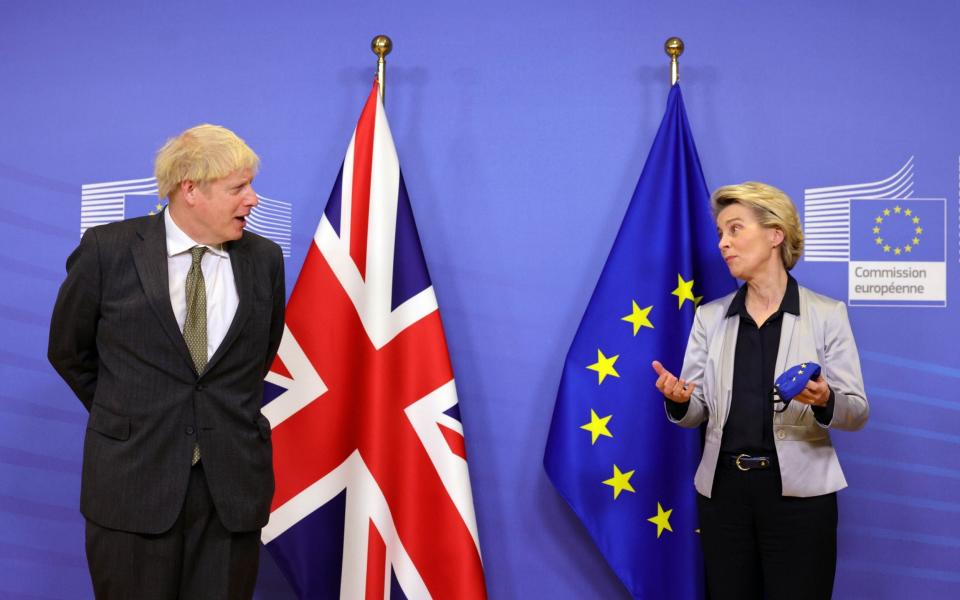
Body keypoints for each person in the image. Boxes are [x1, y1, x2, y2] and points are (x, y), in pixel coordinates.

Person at [48, 124, 285, 599]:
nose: (253, 200)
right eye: (238, 188)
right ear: (190, 189)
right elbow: (69, 352)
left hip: (230, 491)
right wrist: (132, 415)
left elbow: (257, 358)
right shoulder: (108, 250)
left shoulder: (265, 258)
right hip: (132, 485)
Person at [651, 181, 868, 600]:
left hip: (801, 498)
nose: (723, 244)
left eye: (735, 229)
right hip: (724, 496)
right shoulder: (709, 318)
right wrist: (679, 400)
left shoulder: (827, 314)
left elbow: (857, 410)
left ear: (775, 234)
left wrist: (826, 400)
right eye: (720, 233)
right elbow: (696, 410)